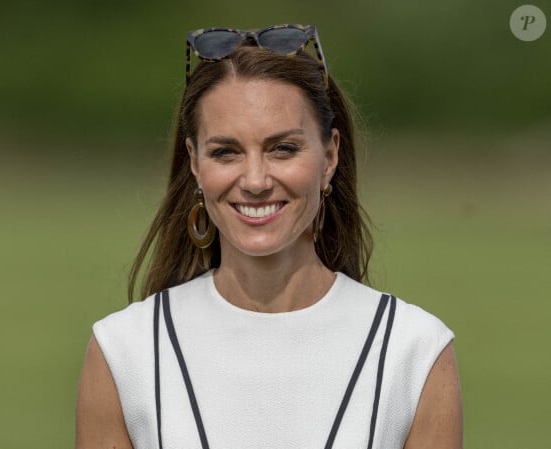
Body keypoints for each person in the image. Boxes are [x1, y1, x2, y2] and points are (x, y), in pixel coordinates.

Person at [76, 24, 462, 449]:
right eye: (226, 152)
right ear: (195, 163)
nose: (256, 181)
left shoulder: (414, 350)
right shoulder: (124, 350)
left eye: (283, 149)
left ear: (329, 156)